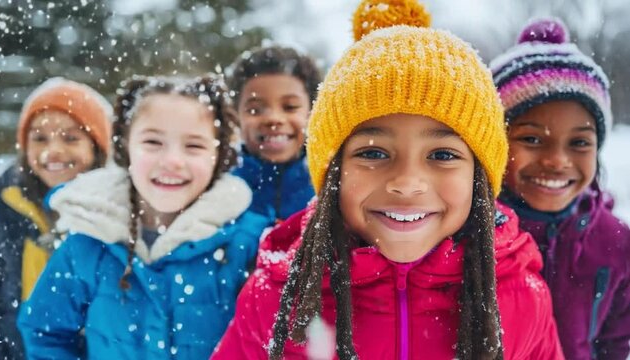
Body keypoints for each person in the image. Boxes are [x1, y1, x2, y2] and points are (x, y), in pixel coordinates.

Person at [211, 0, 564, 359]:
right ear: (332, 171)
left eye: (442, 155)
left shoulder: (520, 296)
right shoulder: (276, 299)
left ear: (480, 177)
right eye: (373, 153)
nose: (407, 182)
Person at [17, 75, 268, 359]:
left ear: (218, 154)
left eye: (194, 146)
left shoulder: (250, 246)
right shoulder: (89, 240)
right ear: (126, 146)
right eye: (153, 142)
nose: (173, 160)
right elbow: (46, 332)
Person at [491, 17, 630, 359]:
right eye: (532, 138)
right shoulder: (472, 235)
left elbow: (615, 343)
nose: (557, 160)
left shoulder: (616, 243)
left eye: (579, 142)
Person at [0, 77, 112, 360]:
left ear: (97, 147)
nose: (53, 151)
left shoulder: (114, 216)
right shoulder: (2, 211)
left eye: (71, 138)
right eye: (40, 138)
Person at [227, 45, 322, 224]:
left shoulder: (329, 191)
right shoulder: (216, 187)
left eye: (290, 107)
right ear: (235, 116)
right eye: (255, 109)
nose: (273, 119)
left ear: (313, 112)